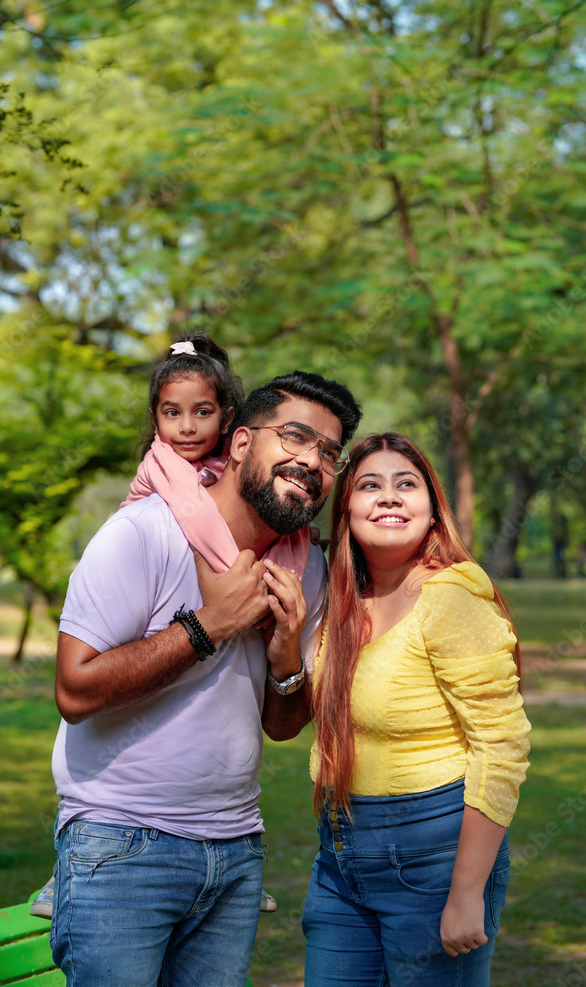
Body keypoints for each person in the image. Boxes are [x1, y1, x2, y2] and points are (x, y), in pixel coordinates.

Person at [47, 369, 362, 987]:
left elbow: (282, 725)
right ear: (241, 443)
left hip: (236, 850)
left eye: (328, 452)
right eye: (294, 438)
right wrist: (209, 626)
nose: (311, 462)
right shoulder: (143, 534)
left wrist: (285, 661)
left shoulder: (307, 569)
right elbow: (73, 691)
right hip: (121, 844)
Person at [30, 331, 285, 916]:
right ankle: (66, 875)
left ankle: (234, 867)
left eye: (202, 412)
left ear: (227, 420)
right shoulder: (163, 468)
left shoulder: (225, 466)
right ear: (154, 420)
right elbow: (201, 520)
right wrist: (234, 588)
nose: (187, 427)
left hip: (225, 823)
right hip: (117, 819)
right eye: (172, 413)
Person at [271, 432, 531, 987]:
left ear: (433, 510)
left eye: (405, 484)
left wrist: (465, 893)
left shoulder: (451, 597)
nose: (388, 497)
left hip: (434, 854)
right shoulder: (340, 602)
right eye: (369, 485)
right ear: (346, 512)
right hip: (340, 852)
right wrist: (287, 648)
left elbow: (501, 746)